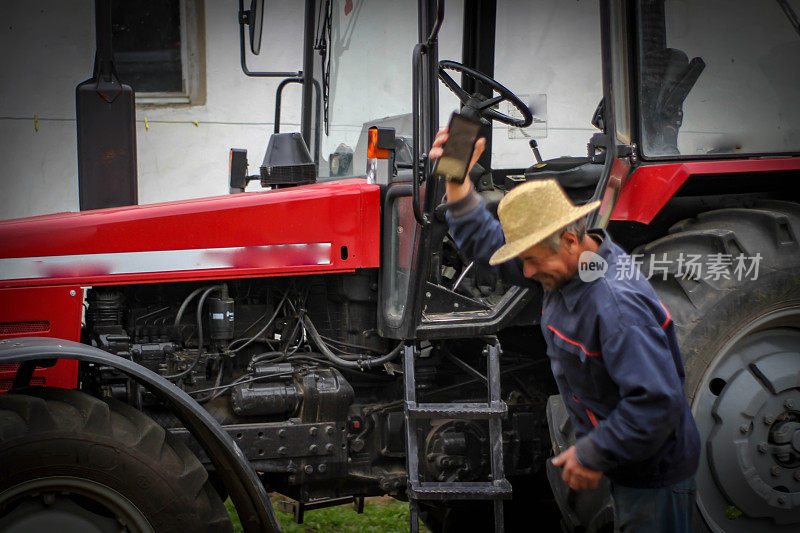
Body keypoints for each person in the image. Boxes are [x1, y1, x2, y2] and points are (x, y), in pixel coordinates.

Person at [430, 128, 701, 532]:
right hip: (623, 463)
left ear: (571, 239)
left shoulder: (616, 307)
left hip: (653, 476)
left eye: (533, 261)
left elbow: (656, 402)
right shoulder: (565, 267)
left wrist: (593, 452)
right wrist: (456, 178)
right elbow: (485, 243)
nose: (526, 272)